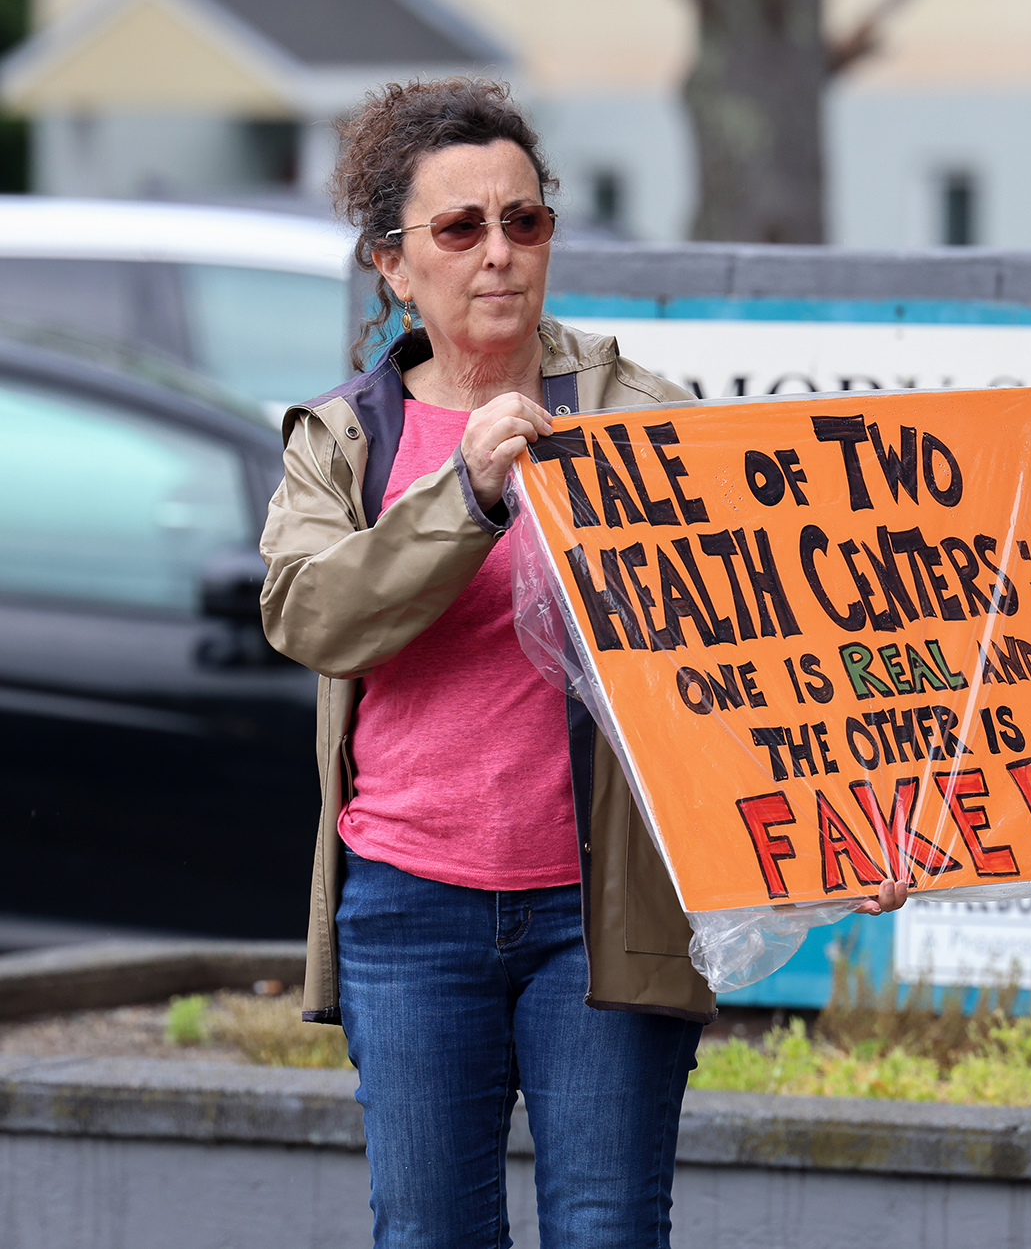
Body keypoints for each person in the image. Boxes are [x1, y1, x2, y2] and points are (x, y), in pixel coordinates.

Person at [259, 78, 906, 1248]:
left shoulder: (643, 417)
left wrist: (836, 824)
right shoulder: (346, 439)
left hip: (597, 908)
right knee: (427, 1232)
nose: (499, 253)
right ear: (392, 263)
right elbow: (314, 616)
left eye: (526, 219)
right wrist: (465, 495)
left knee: (608, 1229)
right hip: (408, 904)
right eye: (460, 228)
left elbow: (754, 650)